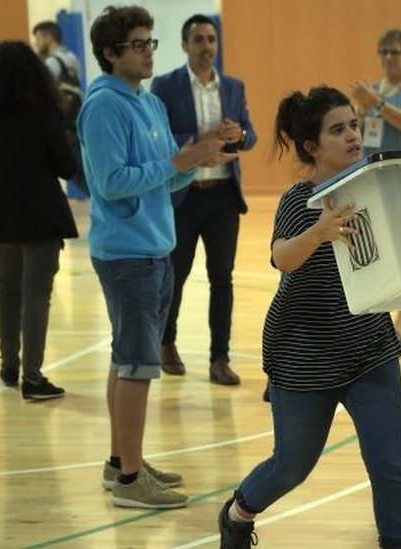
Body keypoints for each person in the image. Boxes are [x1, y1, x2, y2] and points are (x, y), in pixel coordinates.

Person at [217, 86, 401, 549]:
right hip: (304, 354)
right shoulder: (298, 199)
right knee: (292, 465)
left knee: (390, 461)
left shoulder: (375, 186)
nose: (352, 136)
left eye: (354, 126)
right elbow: (282, 258)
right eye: (338, 129)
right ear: (312, 146)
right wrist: (319, 232)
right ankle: (238, 514)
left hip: (369, 346)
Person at [80, 4, 233, 508]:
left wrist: (198, 159)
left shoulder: (146, 102)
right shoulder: (104, 105)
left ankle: (120, 461)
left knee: (126, 359)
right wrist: (178, 160)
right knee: (138, 366)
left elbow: (167, 174)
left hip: (154, 247)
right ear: (111, 53)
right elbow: (110, 183)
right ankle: (129, 482)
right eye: (139, 44)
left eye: (151, 43)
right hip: (126, 254)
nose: (149, 52)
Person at [151, 14, 258, 385]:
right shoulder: (165, 86)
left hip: (224, 196)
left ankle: (220, 358)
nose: (206, 47)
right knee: (174, 276)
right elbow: (159, 139)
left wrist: (239, 133)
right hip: (183, 195)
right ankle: (166, 343)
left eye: (211, 39)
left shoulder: (233, 86)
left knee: (222, 278)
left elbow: (251, 136)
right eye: (198, 39)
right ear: (185, 45)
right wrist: (202, 136)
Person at [0, 41, 77, 400]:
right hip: (41, 215)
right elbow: (66, 166)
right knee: (36, 294)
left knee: (8, 290)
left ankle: (8, 366)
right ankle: (33, 377)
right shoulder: (45, 113)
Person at [349, 28, 401, 350]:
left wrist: (377, 103)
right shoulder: (372, 91)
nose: (388, 58)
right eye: (383, 51)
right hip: (378, 182)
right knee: (381, 250)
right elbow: (360, 133)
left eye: (395, 52)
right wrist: (359, 110)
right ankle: (393, 322)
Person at [32, 20, 87, 198]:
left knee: (76, 173)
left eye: (38, 38)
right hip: (75, 122)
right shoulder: (71, 57)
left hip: (62, 127)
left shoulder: (52, 63)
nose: (36, 43)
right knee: (83, 172)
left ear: (49, 38)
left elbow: (40, 93)